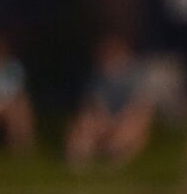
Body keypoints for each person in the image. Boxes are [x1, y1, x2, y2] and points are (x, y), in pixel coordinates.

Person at [65, 35, 155, 170]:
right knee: (83, 126)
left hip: (127, 121)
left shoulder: (137, 76)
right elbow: (94, 105)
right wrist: (101, 122)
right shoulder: (98, 76)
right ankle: (82, 159)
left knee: (130, 129)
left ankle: (118, 153)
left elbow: (141, 107)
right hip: (105, 120)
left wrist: (119, 124)